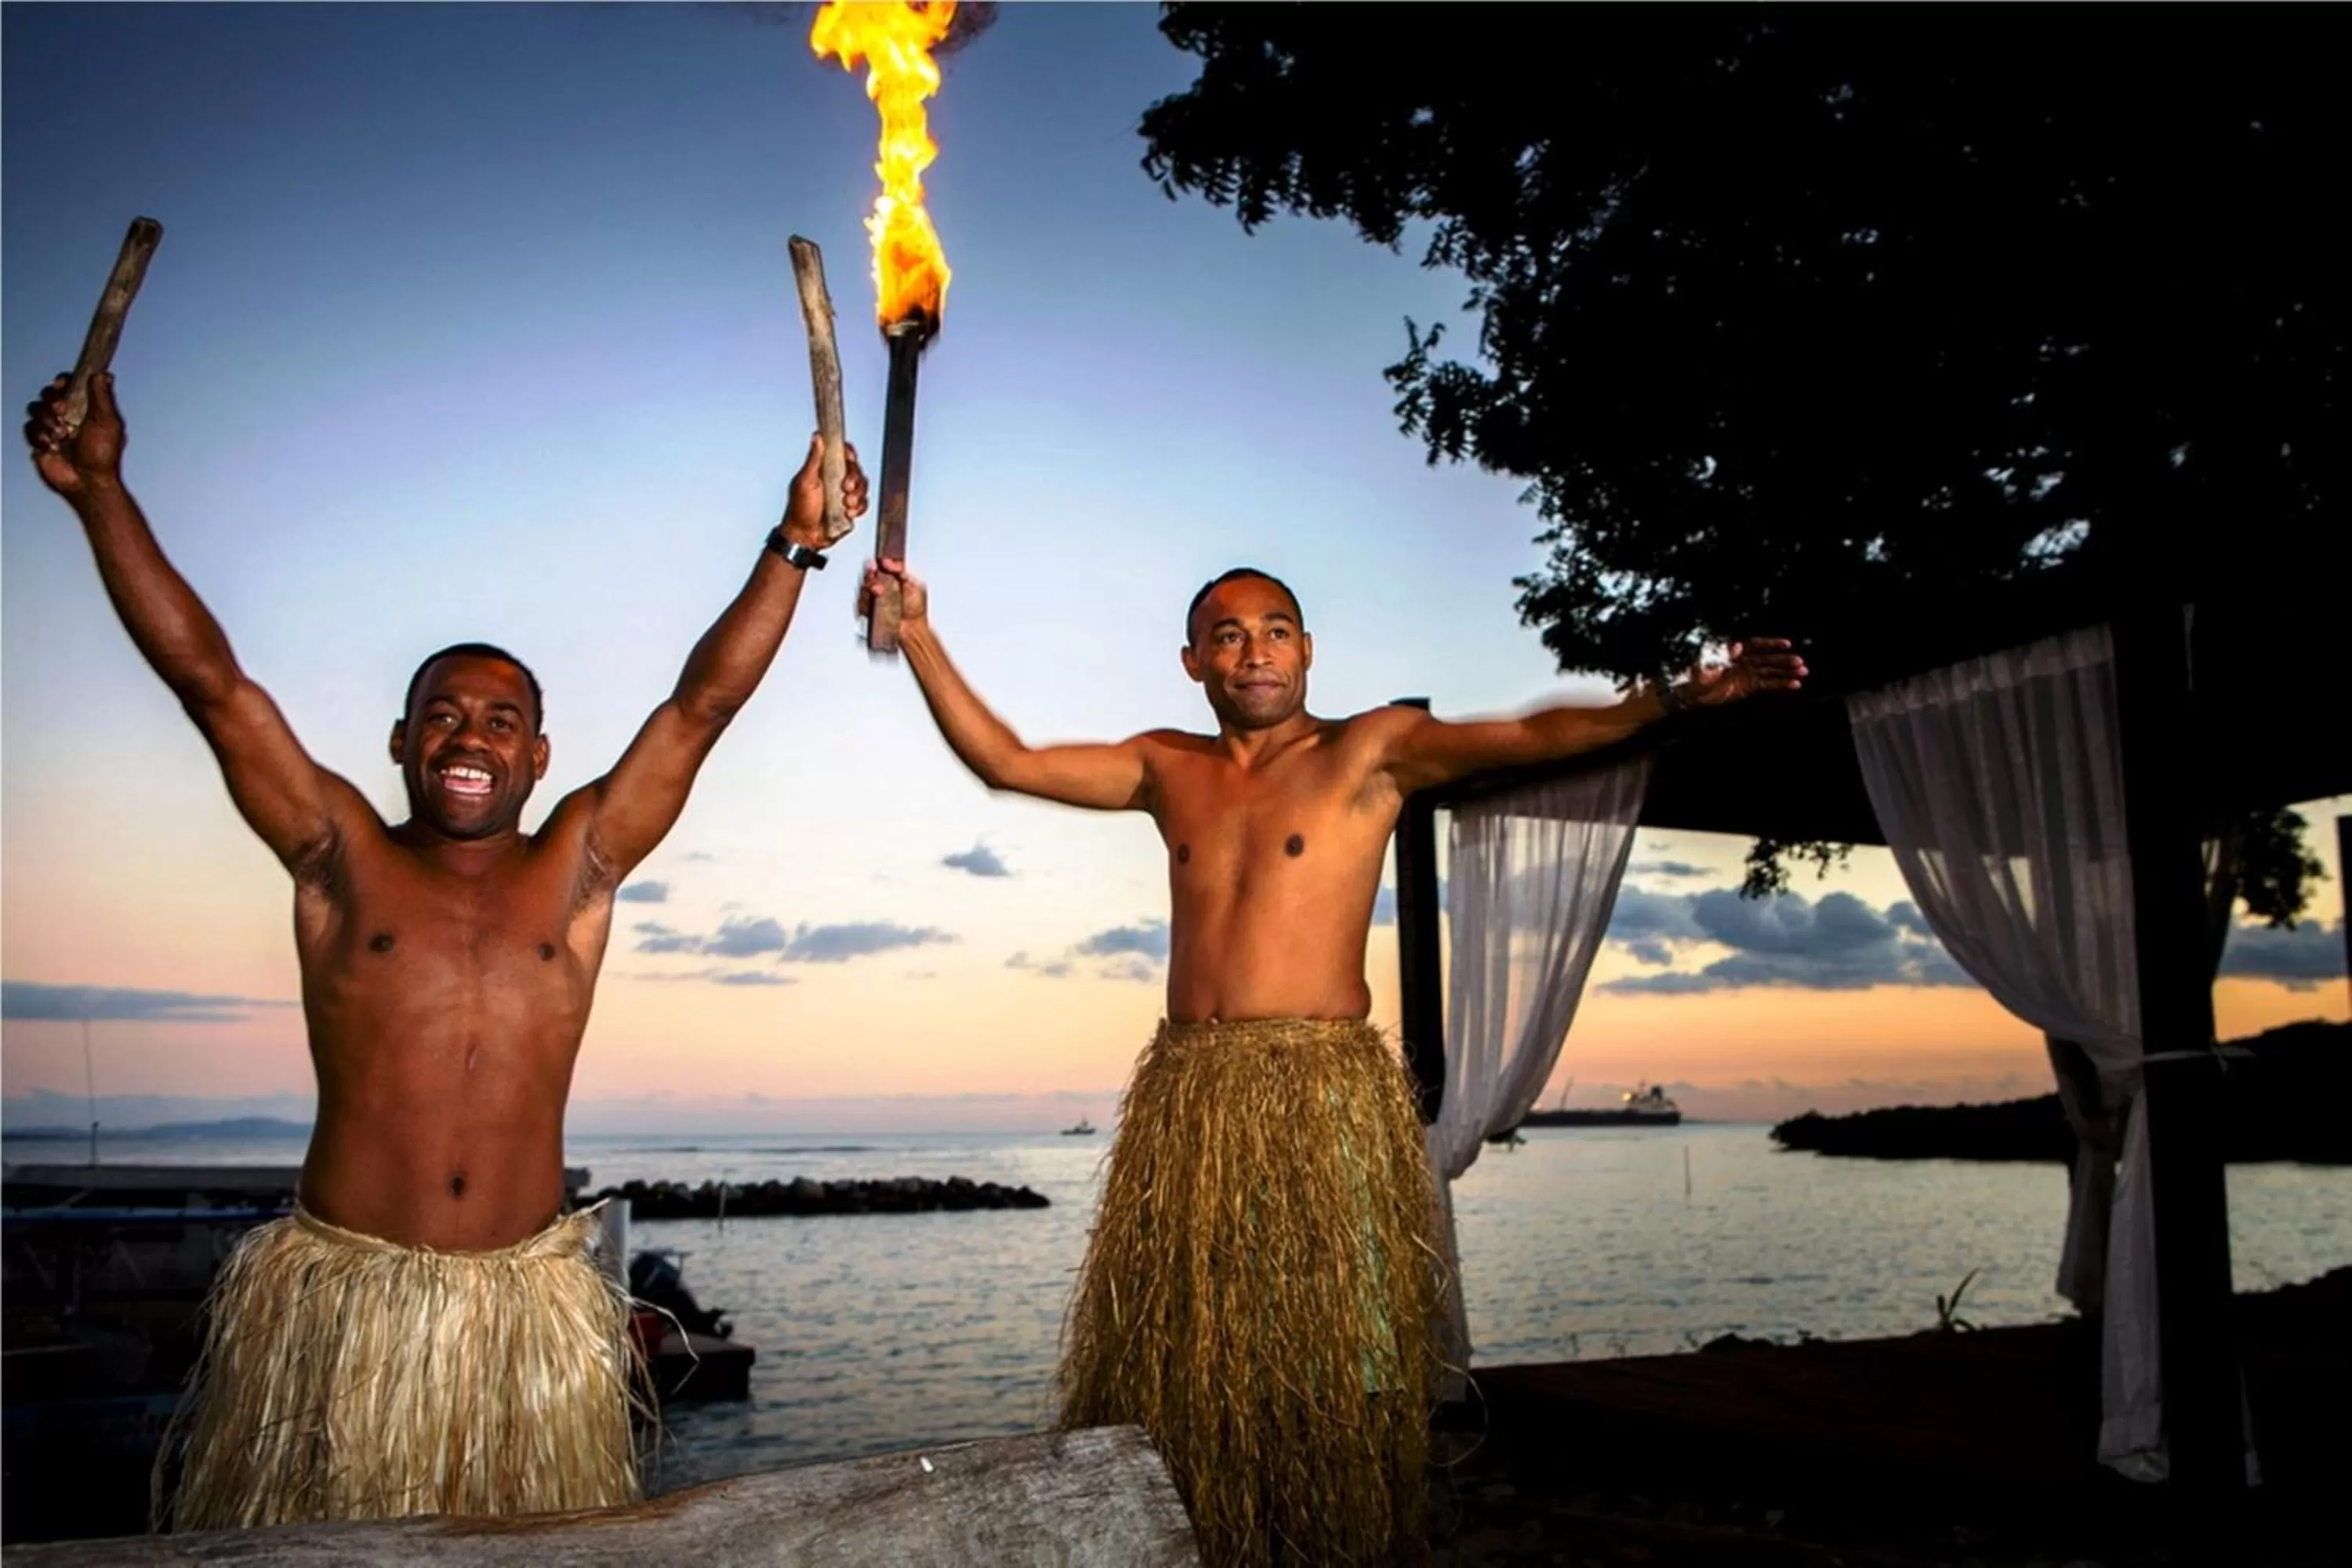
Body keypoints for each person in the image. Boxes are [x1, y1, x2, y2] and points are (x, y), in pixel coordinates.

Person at [22, 370, 866, 1530]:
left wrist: (795, 546)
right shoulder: (338, 852)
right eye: (444, 717)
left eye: (500, 723)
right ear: (402, 742)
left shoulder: (577, 864)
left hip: (523, 1321)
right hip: (348, 1318)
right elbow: (210, 685)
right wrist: (100, 494)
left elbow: (697, 710)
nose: (470, 738)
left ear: (537, 754)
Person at [866, 556, 1803, 1566]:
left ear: (1307, 651)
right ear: (1194, 661)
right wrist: (916, 632)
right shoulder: (1163, 766)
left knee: (1341, 1355)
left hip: (1322, 1095)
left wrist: (1669, 697)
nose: (1254, 650)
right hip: (1193, 1098)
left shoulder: (1372, 752)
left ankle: (1340, 1536)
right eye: (1228, 635)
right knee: (1194, 1358)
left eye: (1275, 630)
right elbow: (1008, 761)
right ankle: (1211, 1535)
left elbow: (1532, 734)